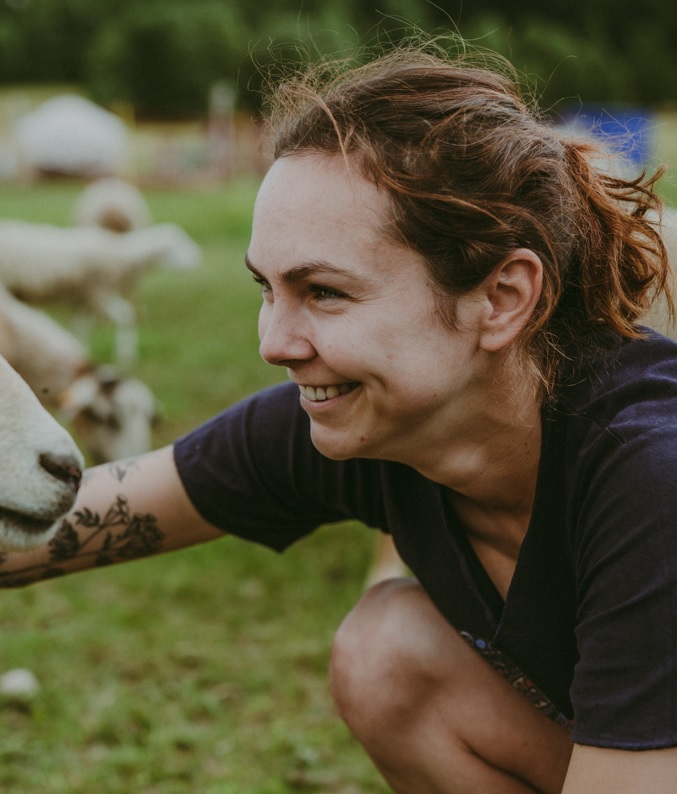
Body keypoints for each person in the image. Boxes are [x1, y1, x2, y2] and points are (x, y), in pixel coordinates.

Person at [3, 40, 677, 792]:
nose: (272, 344)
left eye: (323, 291)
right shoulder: (370, 422)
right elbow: (51, 522)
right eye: (266, 288)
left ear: (501, 298)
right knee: (388, 655)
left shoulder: (650, 476)